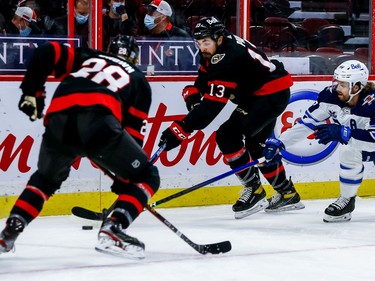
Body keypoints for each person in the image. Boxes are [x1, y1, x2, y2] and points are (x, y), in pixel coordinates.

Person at [0, 35, 160, 259]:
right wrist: (125, 179)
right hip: (99, 123)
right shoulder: (138, 79)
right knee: (148, 175)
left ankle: (10, 230)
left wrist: (32, 91)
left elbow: (47, 51)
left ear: (108, 48)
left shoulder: (88, 56)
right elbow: (133, 137)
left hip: (58, 119)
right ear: (134, 58)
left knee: (45, 180)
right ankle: (114, 227)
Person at [157, 16, 305, 219]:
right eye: (198, 43)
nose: (202, 48)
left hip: (268, 95)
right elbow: (204, 79)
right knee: (258, 146)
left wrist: (181, 129)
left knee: (227, 136)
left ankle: (255, 191)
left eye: (205, 42)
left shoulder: (227, 57)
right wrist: (193, 94)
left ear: (218, 38)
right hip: (264, 94)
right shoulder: (216, 49)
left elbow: (211, 108)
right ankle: (288, 194)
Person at [263, 60, 374, 223]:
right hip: (365, 144)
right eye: (337, 83)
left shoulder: (372, 103)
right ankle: (347, 200)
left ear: (356, 87)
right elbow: (308, 123)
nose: (337, 88)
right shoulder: (330, 97)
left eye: (343, 85)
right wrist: (280, 142)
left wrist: (346, 133)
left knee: (349, 143)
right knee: (348, 151)